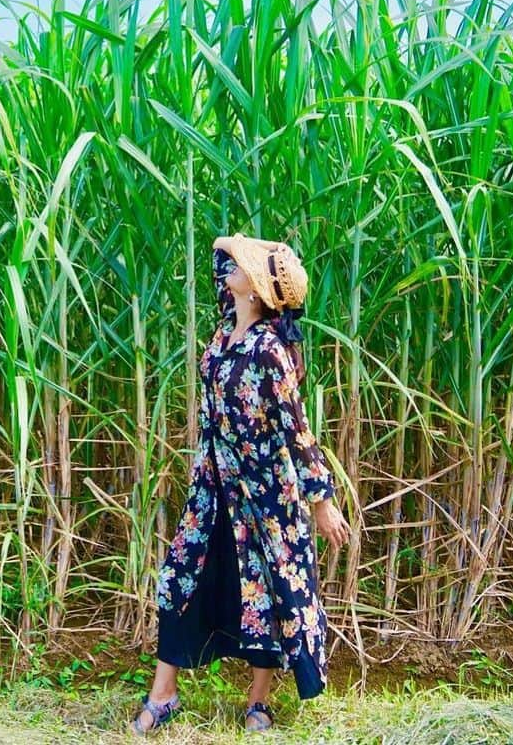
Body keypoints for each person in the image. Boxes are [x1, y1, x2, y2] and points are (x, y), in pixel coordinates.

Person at [129, 233, 351, 735]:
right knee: (179, 573)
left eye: (240, 267)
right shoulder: (224, 332)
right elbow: (219, 254)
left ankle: (258, 702)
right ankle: (164, 692)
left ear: (255, 289)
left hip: (265, 491)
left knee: (267, 588)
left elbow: (297, 428)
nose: (227, 268)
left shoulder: (270, 350)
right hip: (214, 483)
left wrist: (321, 501)